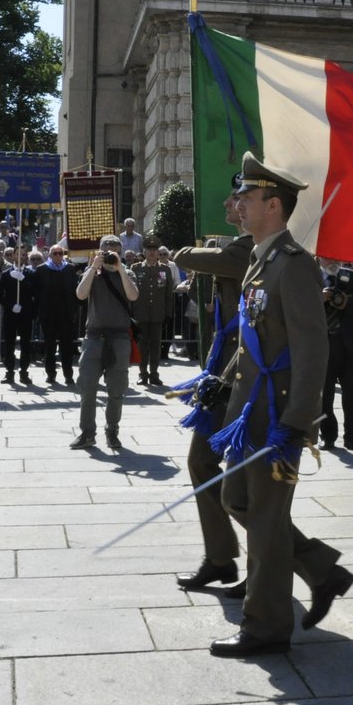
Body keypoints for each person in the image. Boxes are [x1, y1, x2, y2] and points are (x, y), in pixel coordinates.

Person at [207, 153, 351, 658]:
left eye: (246, 198)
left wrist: (297, 423)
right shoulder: (261, 259)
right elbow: (255, 343)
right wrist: (220, 381)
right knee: (237, 501)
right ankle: (320, 569)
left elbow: (313, 349)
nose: (237, 205)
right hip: (248, 410)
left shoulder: (293, 266)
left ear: (273, 204)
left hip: (276, 414)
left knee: (265, 519)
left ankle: (266, 626)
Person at [170, 187, 254, 593]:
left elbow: (184, 256)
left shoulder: (248, 251)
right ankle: (221, 557)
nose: (226, 203)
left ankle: (283, 558)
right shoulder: (239, 248)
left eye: (236, 197)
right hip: (222, 374)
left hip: (243, 378)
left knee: (245, 481)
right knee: (202, 462)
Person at [72, 234, 139, 449]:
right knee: (87, 386)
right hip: (94, 337)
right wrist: (93, 268)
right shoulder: (92, 274)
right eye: (107, 251)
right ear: (99, 251)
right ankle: (87, 433)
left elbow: (133, 296)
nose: (111, 254)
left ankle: (112, 431)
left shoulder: (126, 272)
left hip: (119, 338)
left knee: (116, 390)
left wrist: (120, 268)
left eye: (115, 251)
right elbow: (80, 295)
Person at [318, 259, 353, 451]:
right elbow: (299, 305)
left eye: (335, 256)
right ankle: (328, 436)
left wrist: (347, 302)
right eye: (327, 256)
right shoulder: (312, 277)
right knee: (324, 394)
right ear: (319, 256)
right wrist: (319, 297)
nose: (332, 260)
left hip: (350, 344)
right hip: (324, 345)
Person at [33, 243, 80, 386]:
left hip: (66, 314)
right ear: (50, 255)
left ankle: (68, 375)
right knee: (50, 346)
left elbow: (75, 291)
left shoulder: (70, 269)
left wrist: (74, 311)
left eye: (61, 253)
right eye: (55, 253)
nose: (58, 256)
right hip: (48, 314)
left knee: (67, 347)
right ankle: (51, 374)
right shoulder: (41, 270)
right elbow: (37, 292)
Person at [131, 238, 175, 386]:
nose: (151, 252)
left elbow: (169, 294)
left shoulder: (165, 270)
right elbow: (132, 292)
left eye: (154, 250)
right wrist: (131, 313)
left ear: (158, 252)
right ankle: (142, 374)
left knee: (156, 346)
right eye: (148, 249)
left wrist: (169, 314)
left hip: (157, 314)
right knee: (142, 346)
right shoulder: (136, 268)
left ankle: (154, 374)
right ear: (144, 251)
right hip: (140, 314)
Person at [0, 247, 37, 385]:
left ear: (26, 257)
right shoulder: (6, 274)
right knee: (9, 344)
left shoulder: (30, 273)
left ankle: (24, 372)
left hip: (25, 314)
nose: (21, 257)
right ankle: (9, 372)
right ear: (13, 256)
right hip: (10, 314)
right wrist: (10, 305)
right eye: (18, 254)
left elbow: (35, 292)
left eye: (24, 255)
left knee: (25, 345)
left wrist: (24, 280)